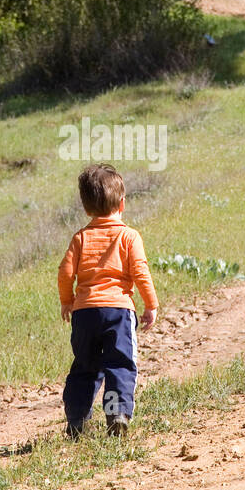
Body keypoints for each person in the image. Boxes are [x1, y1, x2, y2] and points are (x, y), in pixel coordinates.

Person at [57, 163, 158, 437]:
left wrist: (67, 300)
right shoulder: (128, 236)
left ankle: (77, 419)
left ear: (86, 206)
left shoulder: (80, 238)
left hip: (85, 313)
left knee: (84, 367)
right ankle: (117, 413)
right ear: (122, 204)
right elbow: (140, 271)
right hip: (118, 312)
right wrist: (151, 304)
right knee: (120, 363)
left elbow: (65, 272)